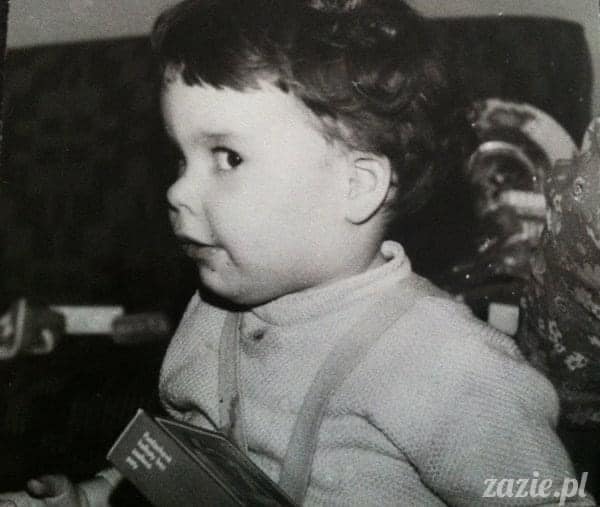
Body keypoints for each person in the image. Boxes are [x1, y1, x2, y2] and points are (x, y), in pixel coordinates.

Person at [1, 0, 594, 505]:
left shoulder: (451, 370)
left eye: (227, 158)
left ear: (357, 185)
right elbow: (194, 455)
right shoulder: (214, 306)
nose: (177, 191)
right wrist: (100, 494)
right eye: (180, 157)